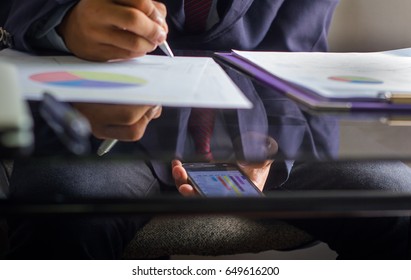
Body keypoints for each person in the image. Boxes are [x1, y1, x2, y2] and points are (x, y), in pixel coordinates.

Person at [1, 0, 410, 259]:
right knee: (61, 215)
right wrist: (65, 19)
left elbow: (297, 48)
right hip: (104, 121)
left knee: (399, 202)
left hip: (273, 126)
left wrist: (270, 150)